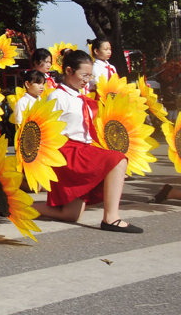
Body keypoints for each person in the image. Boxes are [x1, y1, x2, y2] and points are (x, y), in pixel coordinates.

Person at [34, 50, 141, 232]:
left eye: (89, 76)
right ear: (68, 71)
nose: (87, 80)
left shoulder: (80, 96)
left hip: (82, 149)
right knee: (117, 159)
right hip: (68, 152)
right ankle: (111, 218)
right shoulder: (57, 97)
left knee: (71, 214)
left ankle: (16, 206)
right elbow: (47, 132)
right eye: (83, 75)